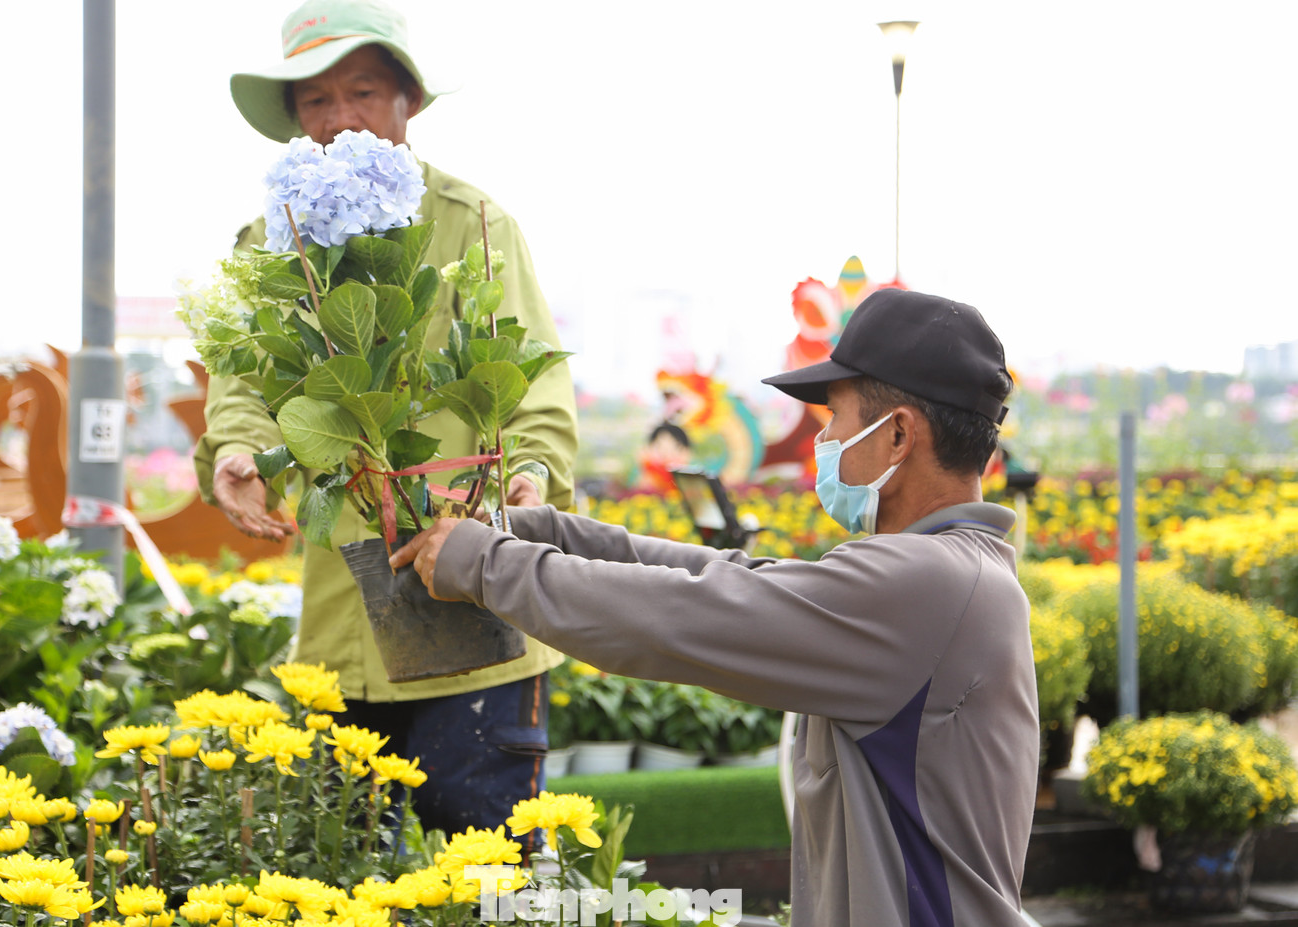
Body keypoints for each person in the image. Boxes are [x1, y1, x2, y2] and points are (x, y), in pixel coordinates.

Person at [391, 288, 1038, 926]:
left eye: (835, 419)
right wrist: (551, 532)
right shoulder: (952, 573)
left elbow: (686, 615)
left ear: (898, 433)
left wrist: (485, 563)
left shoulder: (928, 583)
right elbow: (729, 577)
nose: (828, 440)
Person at [193, 0, 579, 842]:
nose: (339, 120)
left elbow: (534, 385)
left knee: (488, 862)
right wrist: (234, 449)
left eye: (362, 93)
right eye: (316, 103)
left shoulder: (476, 224)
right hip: (343, 614)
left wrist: (533, 472)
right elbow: (242, 379)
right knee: (342, 859)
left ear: (408, 101)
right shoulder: (270, 239)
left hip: (468, 586)